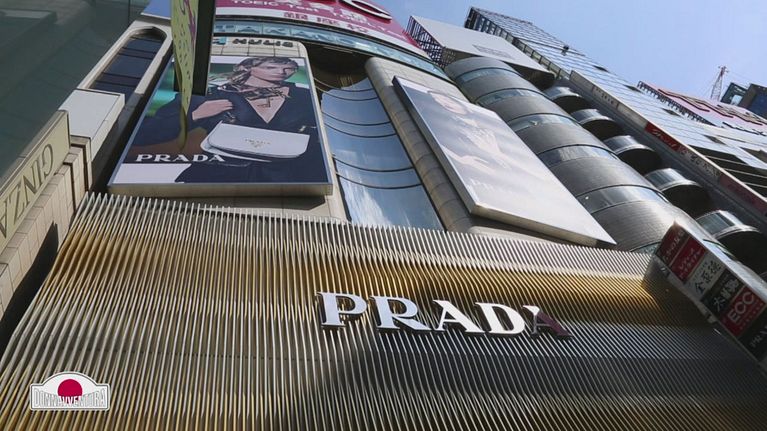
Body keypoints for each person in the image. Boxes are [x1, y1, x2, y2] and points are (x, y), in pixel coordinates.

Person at [131, 56, 326, 184]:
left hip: (294, 178)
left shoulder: (305, 96)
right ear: (246, 68)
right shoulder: (209, 94)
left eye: (289, 68)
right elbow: (145, 134)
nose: (281, 72)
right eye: (271, 67)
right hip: (217, 177)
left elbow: (324, 135)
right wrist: (196, 115)